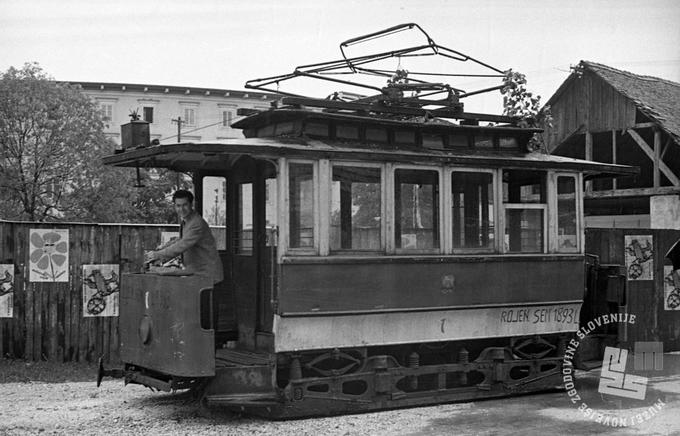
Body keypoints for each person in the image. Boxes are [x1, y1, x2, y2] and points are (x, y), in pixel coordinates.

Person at [144, 190, 224, 284]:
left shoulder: (196, 223)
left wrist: (158, 255)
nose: (181, 209)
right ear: (174, 206)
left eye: (185, 205)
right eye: (178, 206)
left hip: (207, 275)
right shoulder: (187, 221)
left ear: (191, 204)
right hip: (197, 272)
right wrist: (161, 249)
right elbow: (181, 240)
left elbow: (182, 245)